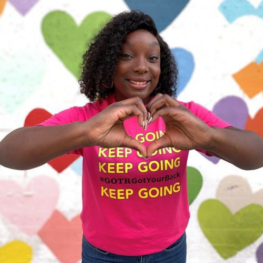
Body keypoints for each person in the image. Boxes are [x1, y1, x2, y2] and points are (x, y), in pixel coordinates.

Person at [0, 11, 263, 263]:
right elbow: (8, 153)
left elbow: (256, 154)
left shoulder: (182, 116)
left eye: (152, 58)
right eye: (126, 55)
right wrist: (85, 132)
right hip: (103, 255)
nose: (141, 67)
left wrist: (208, 137)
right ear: (109, 62)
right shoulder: (90, 117)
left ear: (162, 66)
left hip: (169, 252)